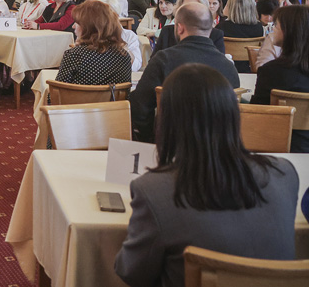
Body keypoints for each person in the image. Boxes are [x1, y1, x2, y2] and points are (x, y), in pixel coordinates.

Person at [116, 64, 299, 287]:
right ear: (234, 115)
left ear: (168, 121)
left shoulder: (154, 191)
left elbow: (131, 272)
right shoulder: (285, 175)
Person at [130, 2, 239, 143]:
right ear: (211, 28)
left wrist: (151, 138)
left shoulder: (164, 60)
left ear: (179, 28)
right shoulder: (228, 67)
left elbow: (140, 106)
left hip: (170, 143)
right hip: (217, 146)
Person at [251, 5, 309, 152]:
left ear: (288, 31)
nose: (273, 29)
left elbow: (256, 115)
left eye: (276, 25)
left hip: (276, 148)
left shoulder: (270, 71)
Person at [55, 1, 131, 85]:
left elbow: (57, 91)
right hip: (113, 94)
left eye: (77, 23)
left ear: (88, 27)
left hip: (80, 94)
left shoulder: (74, 55)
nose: (73, 26)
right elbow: (126, 90)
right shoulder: (123, 56)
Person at [154, 0, 226, 54]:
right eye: (187, 6)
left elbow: (218, 62)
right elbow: (154, 61)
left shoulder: (216, 35)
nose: (192, 11)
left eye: (196, 6)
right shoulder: (167, 32)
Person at [218, 0, 263, 73]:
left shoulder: (221, 27)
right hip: (251, 71)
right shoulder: (259, 28)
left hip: (227, 71)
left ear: (230, 5)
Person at [95, 0, 143, 72]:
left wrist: (122, 47)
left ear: (116, 16)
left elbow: (135, 66)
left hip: (122, 76)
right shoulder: (90, 35)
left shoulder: (128, 36)